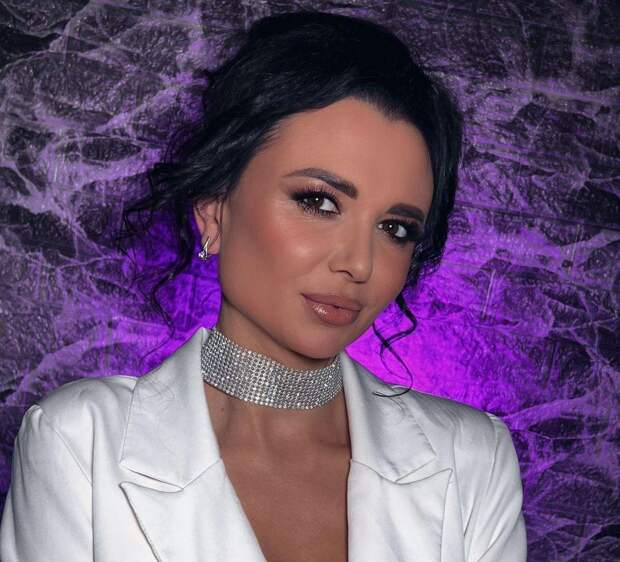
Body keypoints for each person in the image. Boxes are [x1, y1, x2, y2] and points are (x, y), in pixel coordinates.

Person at [0, 10, 527, 562]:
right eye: (318, 202)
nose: (359, 263)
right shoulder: (81, 442)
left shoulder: (471, 461)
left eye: (395, 229)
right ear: (214, 211)